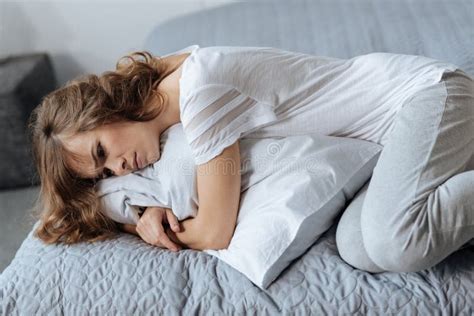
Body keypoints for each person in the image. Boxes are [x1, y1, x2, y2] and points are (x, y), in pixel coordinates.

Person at [28, 44, 474, 273]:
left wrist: (135, 224)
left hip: (421, 96)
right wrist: (141, 206)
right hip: (386, 143)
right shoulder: (163, 85)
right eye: (104, 173)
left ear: (102, 109)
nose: (119, 169)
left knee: (395, 240)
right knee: (358, 248)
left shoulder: (200, 96)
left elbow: (215, 231)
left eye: (103, 152)